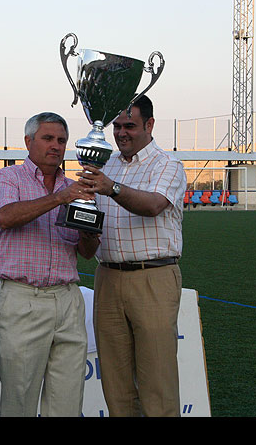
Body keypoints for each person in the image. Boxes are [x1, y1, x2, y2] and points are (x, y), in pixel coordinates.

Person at [79, 95, 187, 417]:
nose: (121, 133)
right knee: (116, 385)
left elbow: (153, 205)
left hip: (153, 278)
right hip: (108, 277)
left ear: (149, 125)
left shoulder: (167, 165)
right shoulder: (104, 166)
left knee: (158, 383)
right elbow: (87, 250)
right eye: (117, 126)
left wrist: (111, 188)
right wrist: (82, 225)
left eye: (130, 125)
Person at [0, 112, 99, 417]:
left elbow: (87, 251)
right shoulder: (7, 178)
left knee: (67, 402)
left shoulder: (77, 188)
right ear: (28, 142)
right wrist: (60, 198)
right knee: (19, 402)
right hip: (25, 299)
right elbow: (6, 217)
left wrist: (91, 230)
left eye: (61, 140)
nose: (56, 146)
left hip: (67, 299)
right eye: (47, 138)